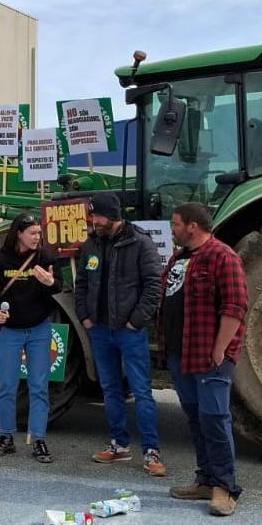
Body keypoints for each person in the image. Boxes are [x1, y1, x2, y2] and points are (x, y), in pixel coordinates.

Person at [162, 202, 249, 516]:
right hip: (181, 354)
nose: (172, 229)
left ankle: (225, 488)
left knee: (215, 419)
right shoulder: (181, 257)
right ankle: (205, 479)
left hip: (208, 356)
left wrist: (219, 349)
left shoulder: (222, 256)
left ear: (192, 226)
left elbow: (235, 306)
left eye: (175, 224)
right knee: (197, 419)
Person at [73, 191, 167, 477]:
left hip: (129, 332)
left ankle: (151, 452)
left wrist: (135, 322)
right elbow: (82, 284)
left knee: (141, 392)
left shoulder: (140, 243)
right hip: (100, 331)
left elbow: (154, 286)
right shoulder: (92, 244)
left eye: (96, 216)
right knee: (111, 390)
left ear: (112, 216)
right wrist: (84, 317)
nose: (93, 221)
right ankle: (119, 445)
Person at [0, 212, 62, 463]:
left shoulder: (45, 258)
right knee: (7, 387)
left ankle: (39, 439)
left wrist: (50, 282)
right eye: (32, 233)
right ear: (19, 234)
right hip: (10, 332)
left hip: (39, 330)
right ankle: (6, 436)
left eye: (39, 233)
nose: (37, 237)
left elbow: (60, 287)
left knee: (39, 387)